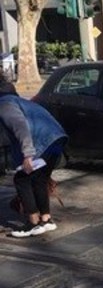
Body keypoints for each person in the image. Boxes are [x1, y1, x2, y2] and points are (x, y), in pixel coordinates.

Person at [0, 76, 68, 238]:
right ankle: (46, 219)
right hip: (56, 139)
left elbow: (21, 127)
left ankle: (33, 222)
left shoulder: (4, 105)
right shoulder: (20, 101)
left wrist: (28, 154)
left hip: (41, 142)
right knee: (39, 179)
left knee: (22, 179)